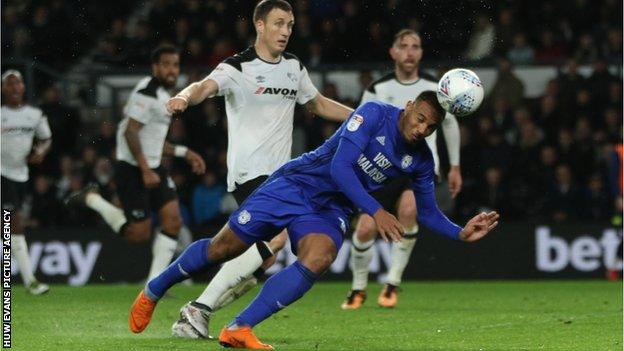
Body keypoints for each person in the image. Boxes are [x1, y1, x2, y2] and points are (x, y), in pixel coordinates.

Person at [129, 92, 499, 350]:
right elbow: (340, 167)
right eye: (420, 119)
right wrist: (376, 210)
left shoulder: (420, 160)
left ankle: (239, 328)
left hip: (330, 210)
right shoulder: (373, 114)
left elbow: (429, 211)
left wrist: (460, 233)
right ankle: (154, 289)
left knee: (319, 258)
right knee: (223, 248)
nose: (421, 130)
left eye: (430, 128)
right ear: (409, 107)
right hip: (296, 184)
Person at [164, 0, 353, 339]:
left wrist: (359, 116)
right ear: (260, 25)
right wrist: (182, 97)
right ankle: (200, 309)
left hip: (285, 177)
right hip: (250, 172)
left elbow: (318, 103)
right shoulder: (237, 67)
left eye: (291, 25)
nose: (286, 31)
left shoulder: (294, 67)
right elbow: (203, 87)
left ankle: (196, 312)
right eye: (279, 23)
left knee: (262, 259)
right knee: (275, 238)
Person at [341, 29, 462, 310]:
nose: (410, 51)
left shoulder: (436, 87)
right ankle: (358, 288)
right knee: (365, 229)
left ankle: (392, 283)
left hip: (419, 166)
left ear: (421, 53)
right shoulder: (378, 88)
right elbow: (358, 126)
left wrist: (454, 165)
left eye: (415, 46)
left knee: (409, 211)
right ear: (393, 52)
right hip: (381, 167)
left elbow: (449, 125)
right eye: (403, 46)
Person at [66, 45, 206, 281]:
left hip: (152, 166)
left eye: (175, 64)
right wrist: (144, 169)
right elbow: (131, 133)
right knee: (139, 234)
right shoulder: (147, 93)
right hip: (132, 168)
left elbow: (152, 140)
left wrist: (184, 152)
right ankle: (93, 199)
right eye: (166, 64)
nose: (172, 70)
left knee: (172, 222)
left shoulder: (164, 95)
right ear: (155, 67)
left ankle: (154, 284)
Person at [1, 70, 52, 295]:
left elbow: (46, 138)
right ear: (3, 89)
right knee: (14, 224)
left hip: (21, 175)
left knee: (12, 226)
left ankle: (27, 279)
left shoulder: (34, 114)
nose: (14, 87)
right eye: (9, 84)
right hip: (2, 175)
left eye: (18, 83)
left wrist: (40, 151)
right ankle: (30, 281)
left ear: (23, 87)